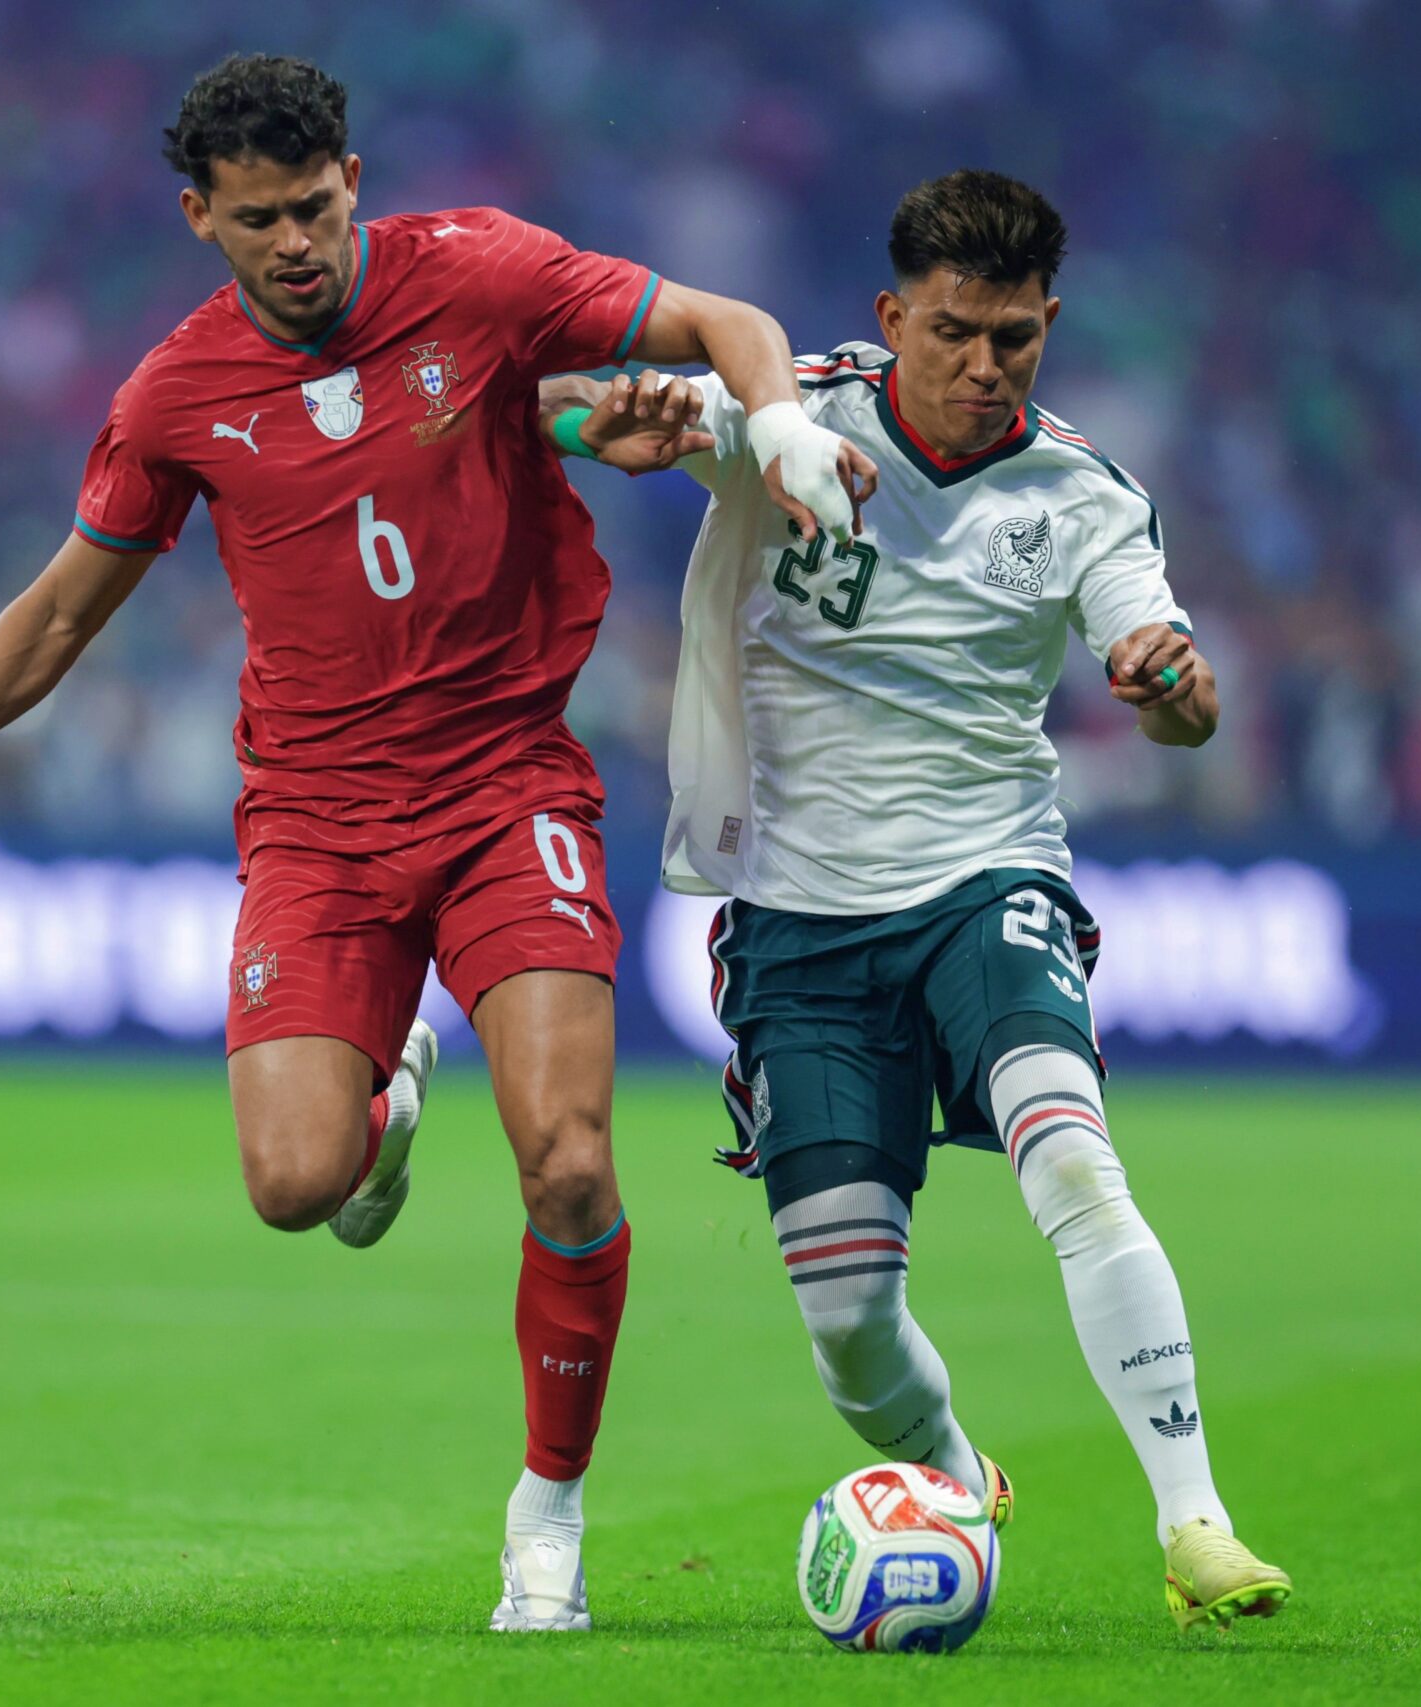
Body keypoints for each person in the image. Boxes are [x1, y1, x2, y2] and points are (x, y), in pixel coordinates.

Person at [0, 53, 870, 1632]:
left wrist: (779, 427)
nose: (295, 242)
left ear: (352, 179)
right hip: (318, 819)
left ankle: (547, 1512)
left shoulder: (480, 269)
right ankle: (388, 1089)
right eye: (258, 219)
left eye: (314, 206)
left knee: (568, 1159)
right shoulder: (173, 397)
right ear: (199, 217)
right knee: (295, 1184)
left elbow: (721, 320)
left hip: (506, 781)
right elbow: (61, 613)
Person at [550, 169, 1292, 1630]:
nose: (984, 365)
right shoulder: (792, 414)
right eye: (954, 332)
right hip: (797, 915)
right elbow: (562, 405)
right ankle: (958, 1477)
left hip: (985, 878)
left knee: (1071, 1162)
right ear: (893, 319)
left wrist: (1173, 691)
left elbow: (1177, 701)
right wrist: (599, 423)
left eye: (1015, 336)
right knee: (848, 1323)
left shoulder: (1084, 496)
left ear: (1048, 324)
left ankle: (1195, 1523)